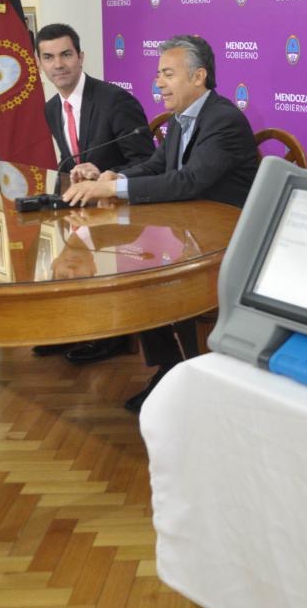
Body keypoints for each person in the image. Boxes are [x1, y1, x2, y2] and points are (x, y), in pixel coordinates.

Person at [63, 34, 259, 410]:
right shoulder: (182, 118)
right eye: (158, 74)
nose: (158, 83)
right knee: (136, 267)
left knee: (158, 276)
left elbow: (188, 181)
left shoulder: (223, 120)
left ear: (198, 76)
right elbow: (156, 166)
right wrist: (110, 176)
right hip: (188, 229)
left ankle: (196, 381)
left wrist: (113, 189)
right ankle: (169, 369)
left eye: (168, 74)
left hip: (227, 240)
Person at [35, 22, 156, 366]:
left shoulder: (115, 101)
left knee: (76, 255)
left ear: (80, 57)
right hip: (85, 211)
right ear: (40, 64)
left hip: (124, 215)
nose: (58, 64)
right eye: (49, 57)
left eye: (66, 55)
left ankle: (110, 334)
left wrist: (104, 174)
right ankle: (72, 327)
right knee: (55, 253)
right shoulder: (51, 108)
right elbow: (70, 160)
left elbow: (148, 162)